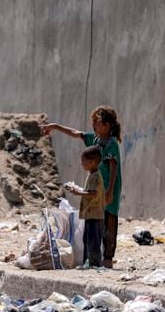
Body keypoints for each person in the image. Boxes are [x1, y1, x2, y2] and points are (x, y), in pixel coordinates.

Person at [43, 105, 122, 268]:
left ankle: (108, 257)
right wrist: (56, 127)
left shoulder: (111, 144)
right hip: (97, 186)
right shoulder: (95, 138)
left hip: (108, 187)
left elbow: (114, 167)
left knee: (110, 220)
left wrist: (110, 191)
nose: (94, 125)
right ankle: (94, 257)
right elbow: (76, 133)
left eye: (98, 123)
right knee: (96, 221)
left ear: (107, 126)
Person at [65, 146, 105, 267]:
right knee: (87, 239)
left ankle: (95, 263)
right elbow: (89, 191)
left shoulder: (96, 176)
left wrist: (78, 193)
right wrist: (77, 189)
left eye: (83, 162)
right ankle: (87, 262)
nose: (81, 164)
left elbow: (94, 193)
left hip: (95, 215)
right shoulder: (91, 175)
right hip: (90, 214)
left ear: (91, 162)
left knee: (93, 241)